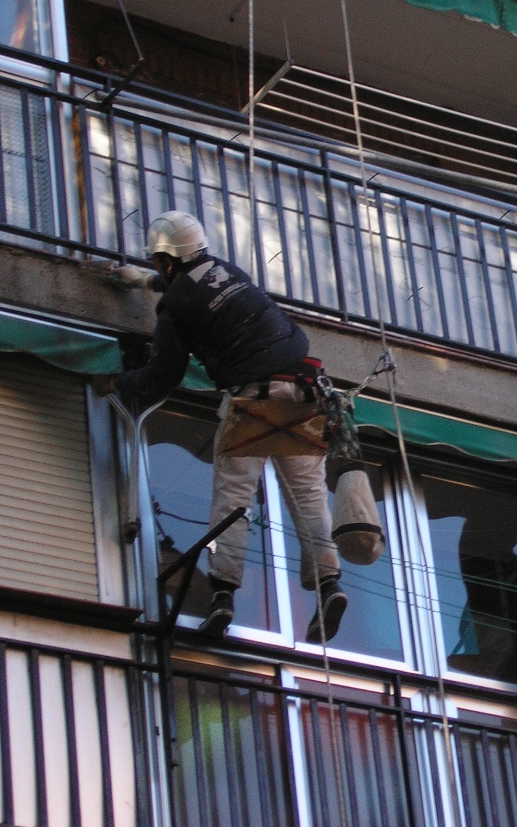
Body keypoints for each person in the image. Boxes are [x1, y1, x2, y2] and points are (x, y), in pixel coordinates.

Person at [95, 210, 346, 644]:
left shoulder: (174, 311)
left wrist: (116, 382)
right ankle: (330, 585)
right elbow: (189, 287)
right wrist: (139, 281)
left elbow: (162, 377)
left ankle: (223, 596)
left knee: (234, 500)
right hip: (304, 390)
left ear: (168, 261)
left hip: (252, 397)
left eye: (157, 263)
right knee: (307, 496)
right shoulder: (227, 271)